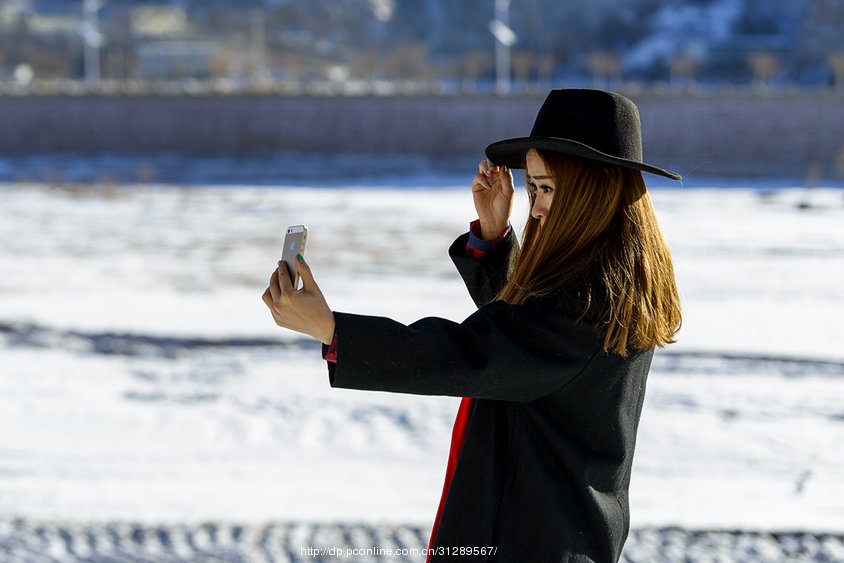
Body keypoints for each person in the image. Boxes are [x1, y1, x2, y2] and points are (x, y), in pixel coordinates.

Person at [262, 88, 682, 562]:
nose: (536, 207)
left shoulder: (590, 299)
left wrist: (336, 330)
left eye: (546, 188)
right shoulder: (606, 275)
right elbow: (521, 348)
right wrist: (494, 237)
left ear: (592, 190)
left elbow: (479, 355)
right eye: (533, 189)